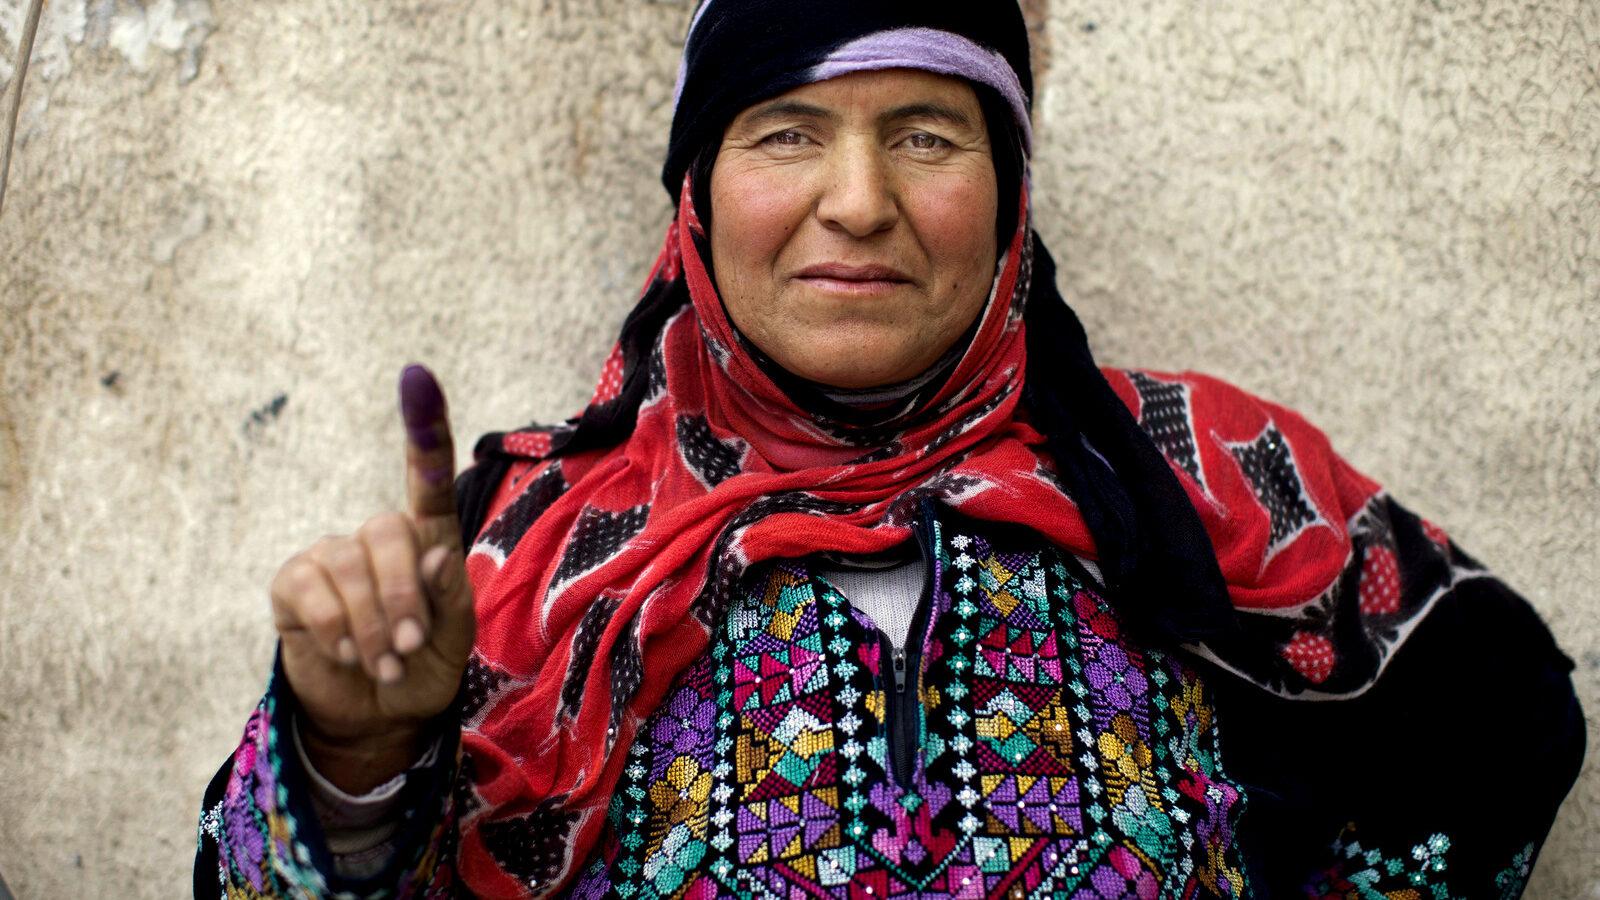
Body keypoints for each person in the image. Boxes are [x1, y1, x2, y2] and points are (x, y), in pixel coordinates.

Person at [195, 2, 1584, 898]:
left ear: (1009, 193)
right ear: (698, 197)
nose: (857, 204)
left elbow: (1500, 717)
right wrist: (353, 757)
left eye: (925, 135)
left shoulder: (1189, 478)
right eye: (788, 132)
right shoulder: (523, 544)